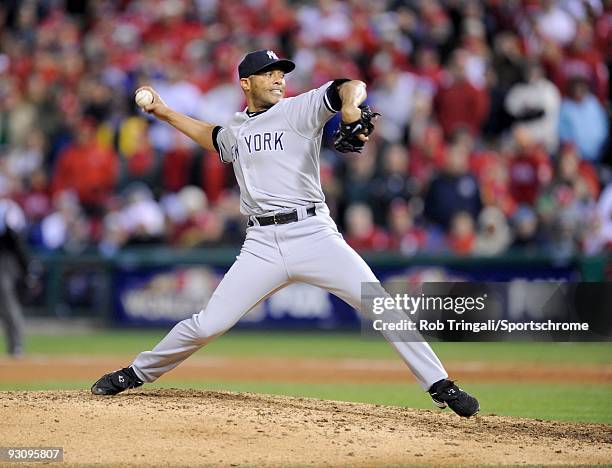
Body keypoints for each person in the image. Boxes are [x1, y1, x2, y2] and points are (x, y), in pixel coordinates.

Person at [91, 50, 479, 418]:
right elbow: (212, 137)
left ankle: (440, 384)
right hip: (261, 244)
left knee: (380, 305)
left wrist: (348, 107)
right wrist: (162, 111)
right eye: (270, 73)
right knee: (208, 324)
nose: (279, 79)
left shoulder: (299, 109)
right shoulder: (238, 128)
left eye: (282, 73)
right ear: (246, 83)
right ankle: (136, 373)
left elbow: (351, 85)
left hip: (314, 234)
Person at [0, 199, 29, 357]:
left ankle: (17, 344)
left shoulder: (7, 208)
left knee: (9, 303)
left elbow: (16, 239)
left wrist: (25, 265)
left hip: (5, 260)